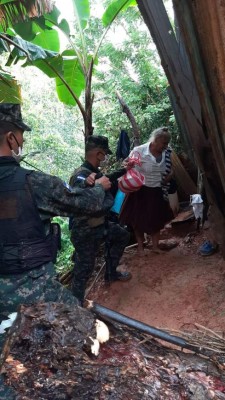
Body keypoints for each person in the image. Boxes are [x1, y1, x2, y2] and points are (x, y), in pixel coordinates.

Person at [69, 135, 132, 305]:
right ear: (98, 153)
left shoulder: (93, 172)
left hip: (99, 224)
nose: (105, 158)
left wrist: (124, 170)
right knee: (83, 270)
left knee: (122, 236)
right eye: (104, 154)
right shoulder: (81, 175)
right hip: (85, 230)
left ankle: (111, 273)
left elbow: (106, 179)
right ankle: (75, 306)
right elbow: (79, 189)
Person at [120, 127, 174, 254]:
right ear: (155, 140)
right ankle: (140, 248)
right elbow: (126, 163)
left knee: (156, 218)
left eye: (167, 144)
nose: (165, 146)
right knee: (138, 220)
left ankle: (155, 247)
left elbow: (170, 169)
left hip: (156, 190)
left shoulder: (167, 152)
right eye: (163, 143)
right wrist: (127, 166)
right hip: (140, 190)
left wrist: (169, 176)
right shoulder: (139, 151)